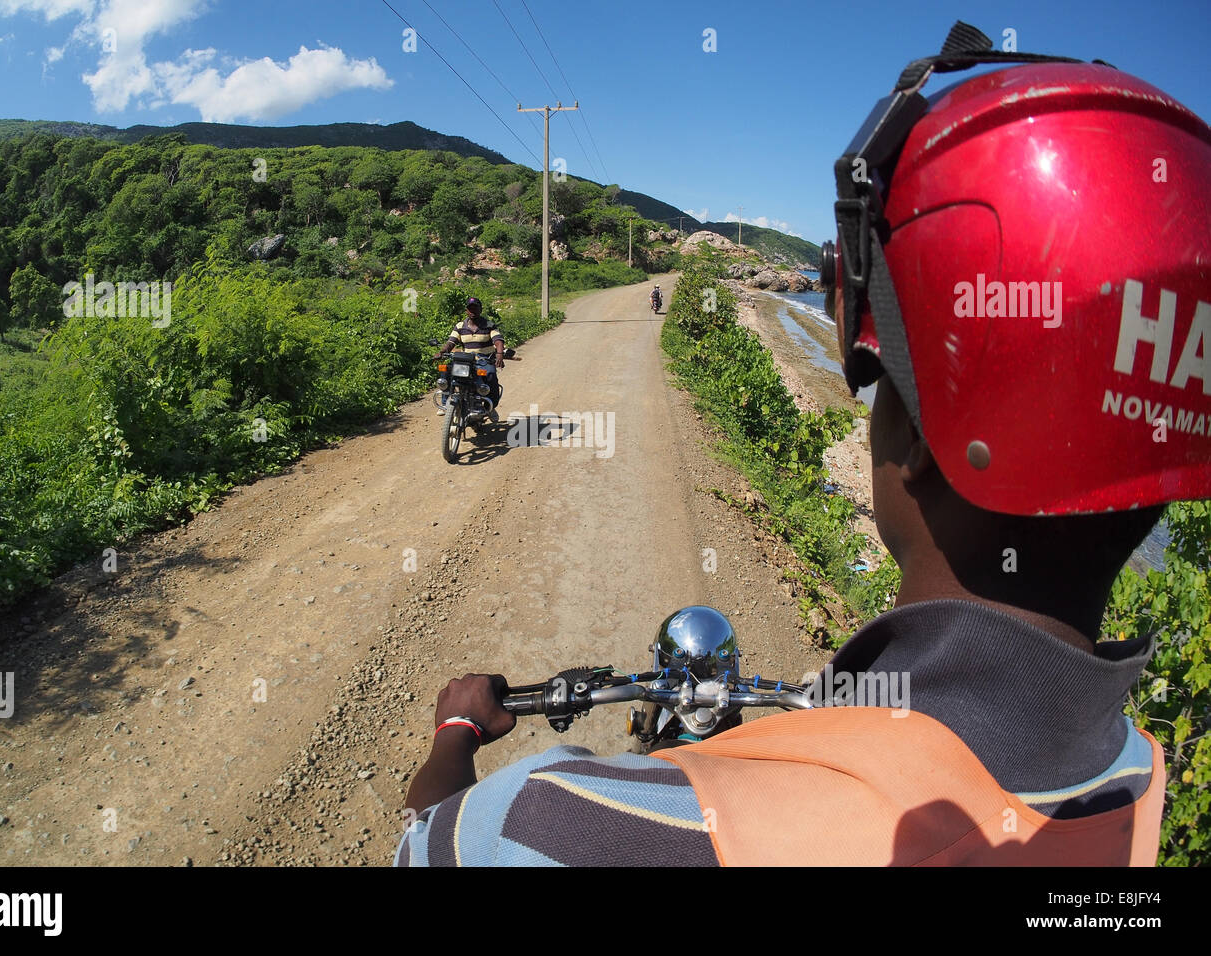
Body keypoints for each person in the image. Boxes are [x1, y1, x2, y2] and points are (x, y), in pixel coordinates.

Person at [396, 24, 1210, 866]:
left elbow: (423, 841)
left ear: (933, 438)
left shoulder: (552, 821)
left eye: (884, 385)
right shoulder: (1135, 779)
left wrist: (455, 734)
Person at [435, 296, 505, 416]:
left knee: (490, 374)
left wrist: (499, 353)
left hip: (484, 360)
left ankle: (491, 406)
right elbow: (451, 342)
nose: (472, 311)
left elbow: (498, 340)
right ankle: (445, 402)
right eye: (470, 309)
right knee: (446, 369)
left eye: (475, 308)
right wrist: (442, 352)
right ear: (466, 311)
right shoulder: (460, 326)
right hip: (467, 361)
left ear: (480, 309)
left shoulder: (489, 325)